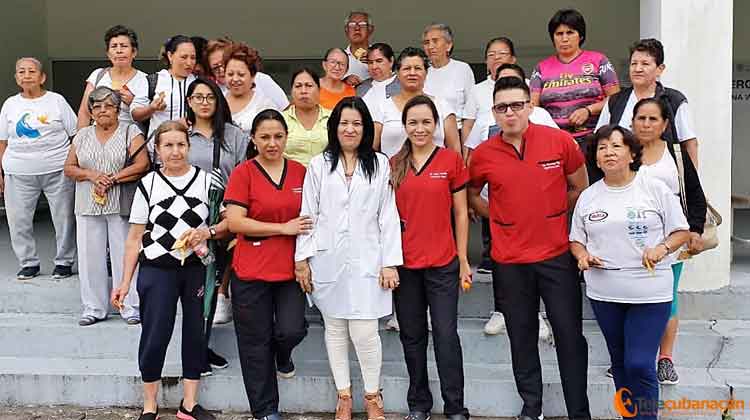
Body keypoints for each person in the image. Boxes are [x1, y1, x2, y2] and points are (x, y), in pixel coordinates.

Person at [468, 76, 591, 420]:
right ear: (493, 112)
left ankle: (578, 411)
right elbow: (472, 194)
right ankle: (531, 407)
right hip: (510, 262)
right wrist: (499, 216)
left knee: (569, 337)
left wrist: (551, 212)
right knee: (521, 339)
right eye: (502, 107)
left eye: (517, 105)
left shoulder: (559, 142)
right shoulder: (483, 154)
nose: (510, 113)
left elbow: (580, 184)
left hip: (555, 257)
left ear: (530, 107)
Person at [111, 121, 229, 420]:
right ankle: (150, 404)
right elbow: (135, 237)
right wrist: (124, 282)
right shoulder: (148, 184)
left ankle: (189, 404)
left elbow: (227, 222)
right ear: (157, 149)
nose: (175, 151)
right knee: (154, 334)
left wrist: (208, 232)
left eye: (180, 144)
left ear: (189, 147)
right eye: (168, 145)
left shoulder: (208, 182)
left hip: (196, 268)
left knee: (195, 334)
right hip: (156, 269)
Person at [570, 124, 690, 420]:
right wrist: (583, 255)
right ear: (595, 159)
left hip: (649, 292)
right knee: (621, 362)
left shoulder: (653, 188)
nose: (609, 152)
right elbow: (576, 239)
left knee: (639, 363)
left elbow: (681, 231)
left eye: (616, 145)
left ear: (632, 153)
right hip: (604, 292)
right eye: (602, 148)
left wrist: (661, 249)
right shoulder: (589, 196)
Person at [295, 97, 402, 420]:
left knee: (366, 332)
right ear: (334, 127)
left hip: (370, 258)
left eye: (356, 123)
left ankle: (373, 396)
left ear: (366, 128)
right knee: (336, 328)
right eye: (344, 123)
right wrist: (303, 259)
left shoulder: (380, 164)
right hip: (327, 259)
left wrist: (389, 261)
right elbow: (307, 214)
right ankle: (344, 395)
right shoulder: (319, 165)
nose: (350, 129)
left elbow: (388, 215)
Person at [224, 109, 309, 420]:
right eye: (265, 137)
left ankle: (283, 355)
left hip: (290, 269)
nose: (272, 143)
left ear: (287, 137)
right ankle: (265, 410)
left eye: (278, 136)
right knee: (254, 342)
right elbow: (235, 222)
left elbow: (314, 219)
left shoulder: (301, 172)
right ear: (253, 139)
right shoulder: (243, 173)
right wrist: (282, 228)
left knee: (291, 329)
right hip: (251, 270)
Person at [391, 95, 471, 420]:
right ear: (405, 126)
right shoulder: (394, 163)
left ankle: (455, 407)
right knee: (412, 336)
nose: (420, 128)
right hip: (405, 265)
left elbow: (462, 214)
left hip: (442, 263)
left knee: (445, 335)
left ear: (436, 125)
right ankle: (419, 404)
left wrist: (464, 259)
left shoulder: (451, 160)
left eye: (426, 122)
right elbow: (384, 219)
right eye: (413, 122)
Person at [464, 65, 557, 338]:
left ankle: (536, 314)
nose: (509, 110)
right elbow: (472, 157)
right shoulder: (484, 119)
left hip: (534, 211)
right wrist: (487, 210)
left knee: (534, 264)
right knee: (498, 260)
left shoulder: (540, 115)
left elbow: (562, 152)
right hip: (496, 206)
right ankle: (501, 309)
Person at [630, 98, 707, 385]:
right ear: (632, 121)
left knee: (667, 300)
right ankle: (636, 356)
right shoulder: (623, 152)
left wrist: (695, 230)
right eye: (641, 118)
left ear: (665, 124)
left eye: (653, 119)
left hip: (670, 242)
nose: (646, 124)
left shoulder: (675, 153)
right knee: (633, 301)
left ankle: (665, 359)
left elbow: (695, 193)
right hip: (630, 242)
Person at [64, 87, 149, 326]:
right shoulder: (81, 135)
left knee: (126, 255)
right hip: (87, 204)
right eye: (97, 106)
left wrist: (112, 178)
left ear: (118, 109)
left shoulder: (130, 131)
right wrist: (91, 175)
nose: (103, 110)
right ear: (90, 111)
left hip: (119, 204)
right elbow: (69, 168)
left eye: (109, 105)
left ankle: (130, 306)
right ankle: (94, 307)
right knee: (90, 257)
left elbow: (143, 164)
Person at [185, 77, 248, 372]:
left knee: (211, 283)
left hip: (224, 215)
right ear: (189, 101)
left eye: (209, 97)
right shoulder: (181, 133)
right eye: (197, 97)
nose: (204, 102)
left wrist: (230, 211)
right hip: (186, 216)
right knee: (193, 286)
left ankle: (202, 346)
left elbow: (243, 174)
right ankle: (197, 348)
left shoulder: (234, 136)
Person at [0, 57, 77, 280]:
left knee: (64, 219)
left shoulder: (56, 101)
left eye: (31, 71)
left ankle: (64, 262)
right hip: (19, 171)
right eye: (21, 71)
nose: (26, 75)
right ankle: (28, 263)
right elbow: (3, 141)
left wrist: (70, 164)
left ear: (42, 77)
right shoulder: (10, 104)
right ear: (16, 78)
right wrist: (2, 171)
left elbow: (75, 135)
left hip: (57, 169)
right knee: (18, 220)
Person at [597, 38, 700, 167]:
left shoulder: (674, 101)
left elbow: (689, 143)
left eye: (645, 64)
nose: (638, 69)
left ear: (660, 69)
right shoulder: (615, 101)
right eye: (634, 63)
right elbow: (600, 138)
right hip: (621, 179)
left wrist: (691, 183)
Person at [530, 9, 620, 143]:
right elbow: (533, 107)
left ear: (581, 36)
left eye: (570, 33)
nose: (564, 38)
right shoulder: (541, 68)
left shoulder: (599, 60)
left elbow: (616, 98)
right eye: (559, 34)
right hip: (555, 140)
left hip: (594, 139)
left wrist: (588, 110)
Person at [372, 47, 460, 158]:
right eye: (407, 68)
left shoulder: (443, 107)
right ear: (397, 73)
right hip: (393, 173)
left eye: (418, 68)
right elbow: (372, 151)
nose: (412, 73)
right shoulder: (381, 107)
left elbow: (455, 154)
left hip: (436, 173)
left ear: (426, 72)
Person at [76, 25, 148, 129]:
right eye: (114, 46)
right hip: (98, 136)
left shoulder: (144, 79)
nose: (119, 51)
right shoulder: (98, 75)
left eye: (124, 46)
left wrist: (133, 103)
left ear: (134, 52)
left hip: (130, 137)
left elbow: (151, 116)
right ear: (108, 54)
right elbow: (85, 112)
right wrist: (80, 140)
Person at [131, 35, 196, 142]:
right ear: (170, 56)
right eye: (184, 57)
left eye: (193, 57)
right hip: (159, 152)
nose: (189, 63)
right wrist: (152, 108)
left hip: (192, 150)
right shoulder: (153, 81)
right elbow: (135, 114)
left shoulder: (199, 83)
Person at [205, 37, 290, 111]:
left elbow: (285, 108)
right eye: (216, 68)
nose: (221, 69)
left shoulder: (261, 79)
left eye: (224, 63)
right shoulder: (213, 91)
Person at [422, 23, 475, 129]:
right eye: (426, 42)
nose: (430, 46)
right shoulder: (421, 71)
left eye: (435, 41)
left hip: (457, 130)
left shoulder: (462, 69)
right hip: (428, 131)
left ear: (448, 45)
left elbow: (471, 108)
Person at [223, 42, 278, 131]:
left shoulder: (264, 105)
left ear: (253, 76)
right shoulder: (217, 100)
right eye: (230, 74)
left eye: (241, 74)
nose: (235, 79)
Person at [282, 68, 331, 167]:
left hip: (327, 176)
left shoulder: (333, 118)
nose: (303, 91)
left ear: (319, 90)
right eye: (298, 86)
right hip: (289, 178)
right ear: (291, 91)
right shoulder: (280, 120)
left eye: (309, 86)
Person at [357, 43, 399, 108]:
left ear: (391, 61)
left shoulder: (404, 85)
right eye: (370, 62)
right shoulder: (361, 88)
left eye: (379, 61)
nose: (374, 67)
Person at [342, 10, 373, 86]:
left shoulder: (380, 55)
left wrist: (375, 60)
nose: (357, 28)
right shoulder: (339, 57)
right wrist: (343, 82)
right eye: (352, 24)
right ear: (346, 29)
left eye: (362, 24)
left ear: (370, 29)